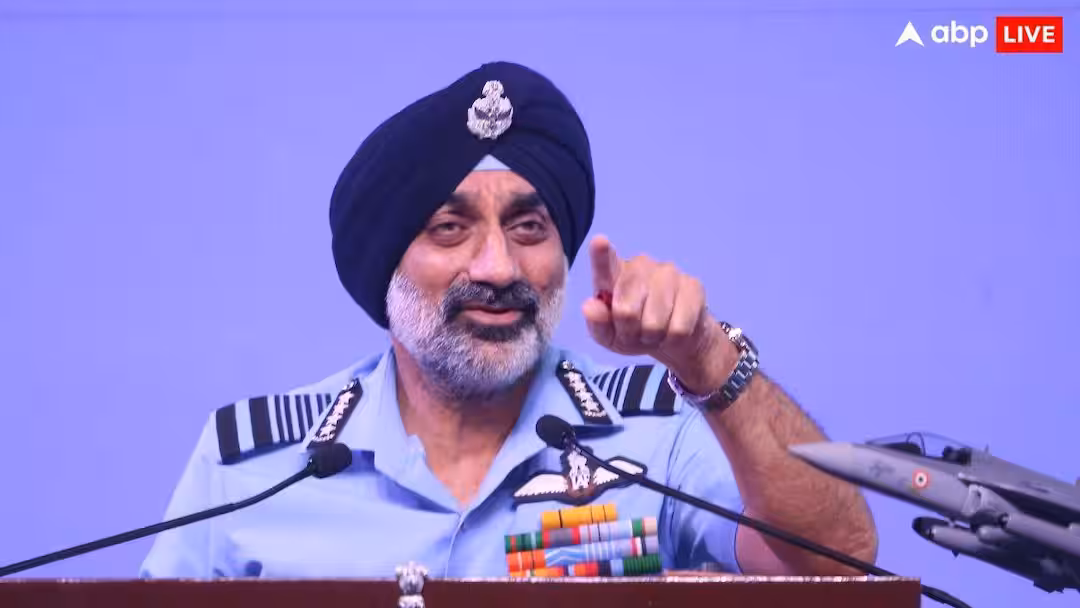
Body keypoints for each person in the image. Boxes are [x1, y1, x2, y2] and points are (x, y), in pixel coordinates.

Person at [139, 61, 877, 580]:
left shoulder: (662, 439)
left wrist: (709, 358)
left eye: (528, 228)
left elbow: (842, 564)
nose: (497, 268)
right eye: (449, 228)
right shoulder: (251, 469)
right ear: (387, 265)